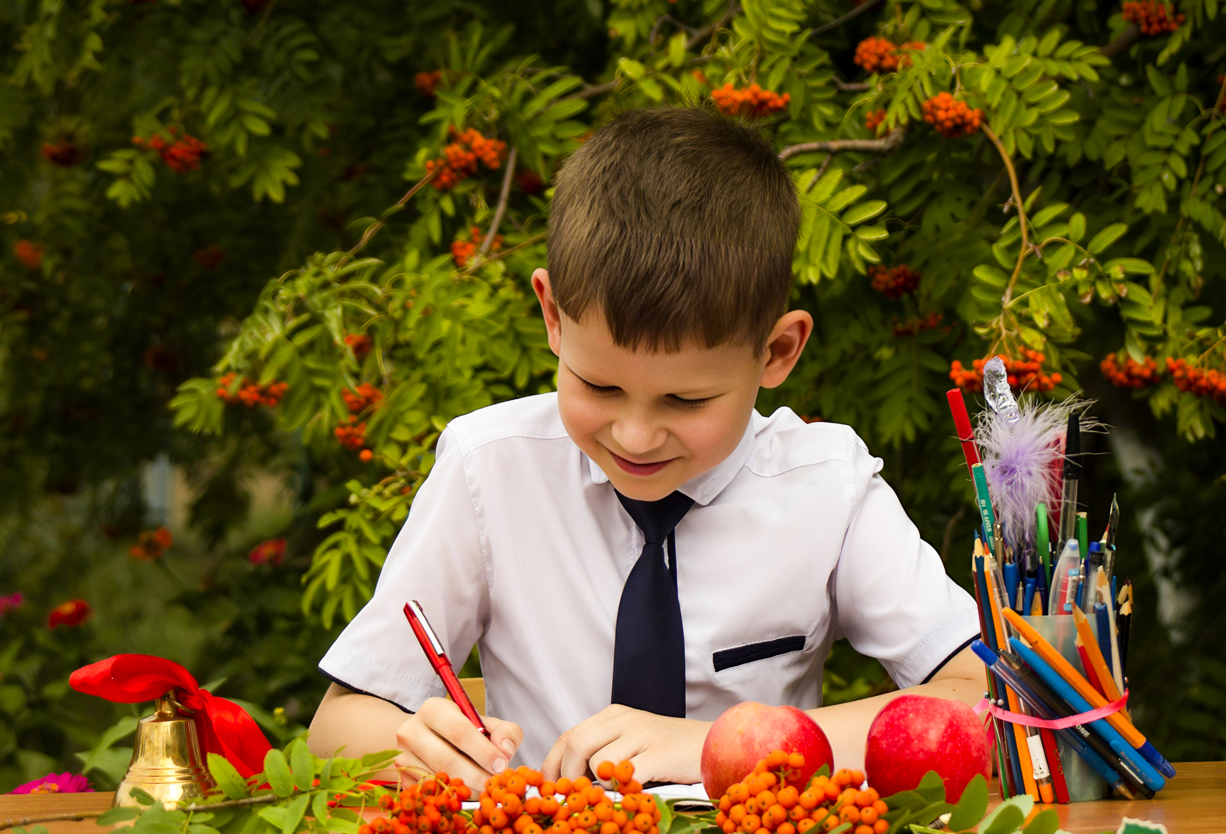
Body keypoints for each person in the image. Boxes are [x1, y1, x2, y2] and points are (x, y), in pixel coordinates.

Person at [308, 106, 984, 789]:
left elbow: (985, 705)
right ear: (552, 316)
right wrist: (419, 751)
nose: (634, 436)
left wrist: (728, 747)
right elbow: (336, 728)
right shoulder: (489, 468)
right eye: (598, 386)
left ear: (777, 351)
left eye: (685, 402)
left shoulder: (827, 488)